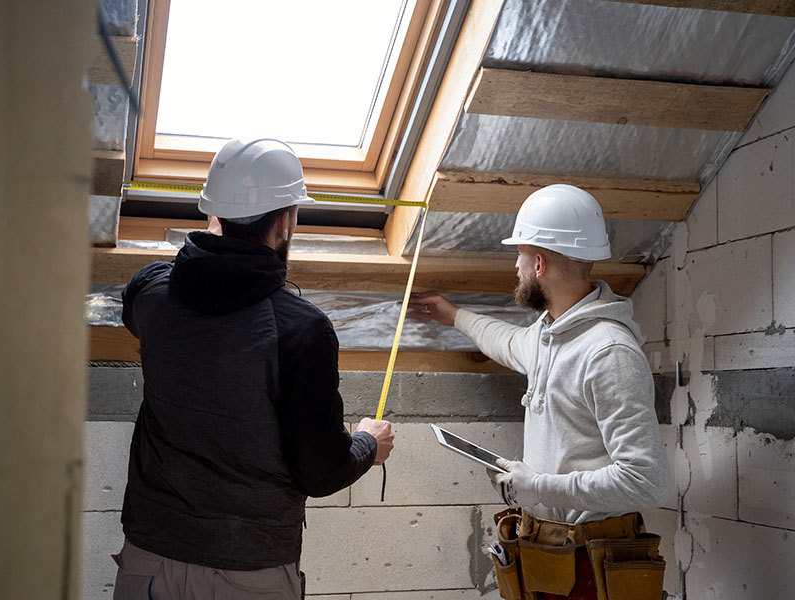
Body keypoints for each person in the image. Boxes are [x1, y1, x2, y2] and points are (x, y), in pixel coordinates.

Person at [114, 138, 394, 600]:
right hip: (250, 572)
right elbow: (321, 472)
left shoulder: (151, 294)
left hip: (148, 557)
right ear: (284, 223)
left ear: (213, 215)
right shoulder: (303, 330)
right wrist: (368, 444)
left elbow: (146, 302)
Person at [411, 184, 670, 600]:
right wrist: (453, 315)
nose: (515, 266)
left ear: (539, 263)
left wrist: (540, 486)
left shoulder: (608, 352)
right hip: (553, 554)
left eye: (520, 255)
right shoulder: (550, 334)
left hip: (593, 563)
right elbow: (508, 342)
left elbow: (647, 481)